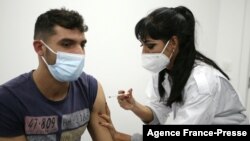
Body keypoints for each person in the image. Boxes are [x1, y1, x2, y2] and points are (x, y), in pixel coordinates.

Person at [99, 6, 249, 141]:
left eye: (150, 46)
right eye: (142, 45)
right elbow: (158, 114)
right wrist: (134, 106)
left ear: (173, 43)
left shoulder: (202, 82)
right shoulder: (164, 71)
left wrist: (121, 137)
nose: (144, 53)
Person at [0, 8, 113, 141]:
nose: (79, 52)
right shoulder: (8, 99)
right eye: (67, 44)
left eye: (82, 44)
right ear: (39, 48)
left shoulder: (91, 88)